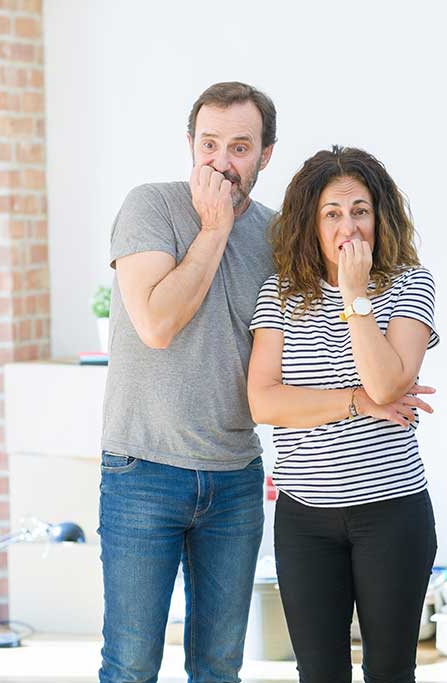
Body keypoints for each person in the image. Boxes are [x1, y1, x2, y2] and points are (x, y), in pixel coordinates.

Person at [98, 82, 277, 683]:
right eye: (210, 144)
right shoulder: (150, 206)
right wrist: (215, 229)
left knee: (220, 666)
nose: (222, 162)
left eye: (240, 147)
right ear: (189, 144)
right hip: (142, 472)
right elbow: (156, 323)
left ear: (265, 155)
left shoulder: (278, 237)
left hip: (235, 479)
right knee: (131, 664)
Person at [247, 145, 439, 683]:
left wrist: (355, 295)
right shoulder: (279, 296)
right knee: (319, 674)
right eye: (332, 213)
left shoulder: (408, 285)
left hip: (393, 512)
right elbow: (264, 402)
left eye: (360, 210)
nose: (348, 226)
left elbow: (387, 380)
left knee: (390, 671)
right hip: (305, 518)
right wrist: (357, 403)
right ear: (312, 223)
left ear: (380, 217)